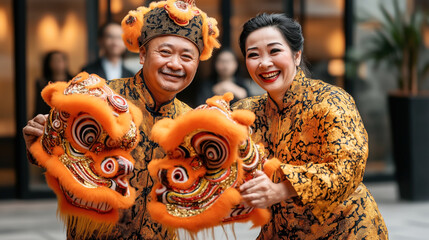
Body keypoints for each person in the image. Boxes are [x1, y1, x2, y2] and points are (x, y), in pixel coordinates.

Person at [22, 0, 220, 239]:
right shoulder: (99, 98)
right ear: (143, 54)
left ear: (197, 64)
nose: (175, 64)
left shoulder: (193, 123)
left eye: (187, 56)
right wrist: (38, 141)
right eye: (165, 52)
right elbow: (54, 156)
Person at [233, 13, 388, 239]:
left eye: (274, 51)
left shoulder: (330, 100)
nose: (264, 63)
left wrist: (279, 190)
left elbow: (348, 167)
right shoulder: (247, 111)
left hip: (345, 229)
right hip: (282, 230)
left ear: (296, 55)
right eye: (253, 55)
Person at [34, 50, 73, 115]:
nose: (58, 64)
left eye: (60, 60)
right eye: (54, 61)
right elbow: (39, 107)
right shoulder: (42, 83)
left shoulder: (73, 81)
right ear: (49, 63)